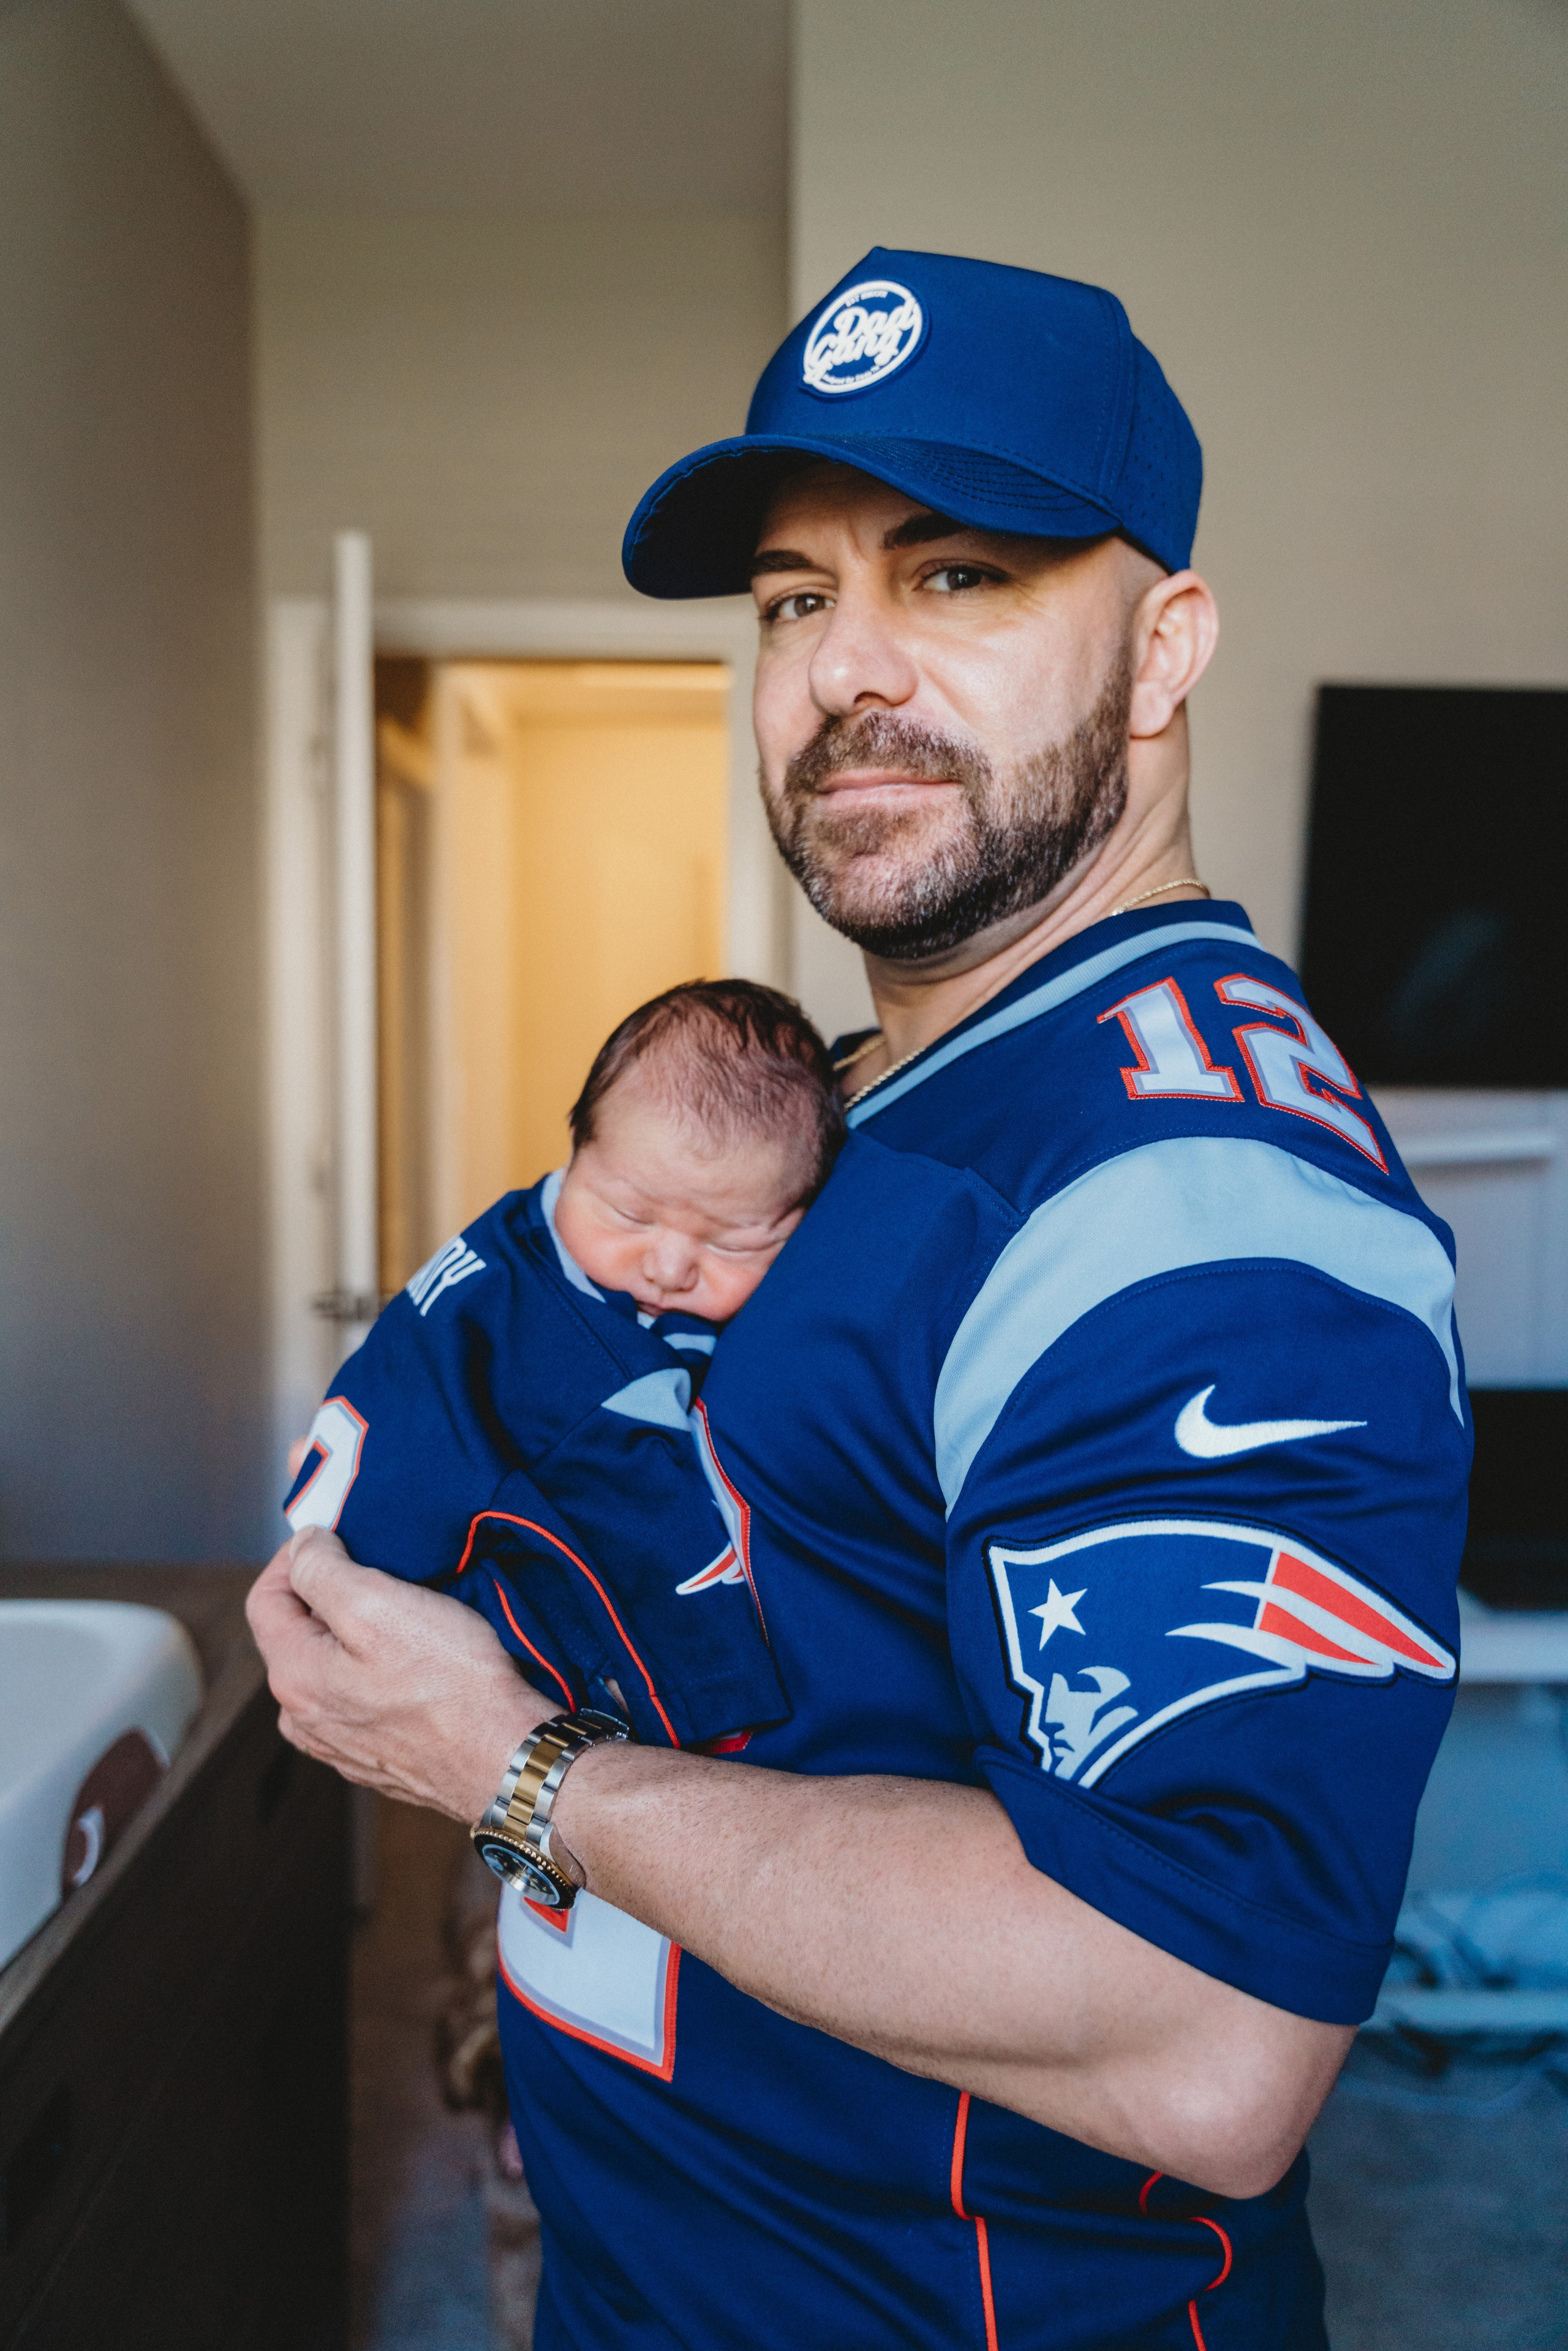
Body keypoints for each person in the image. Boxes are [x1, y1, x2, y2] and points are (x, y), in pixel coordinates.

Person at [251, 249, 1469, 2350]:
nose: (844, 670)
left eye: (961, 576)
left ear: (1166, 644)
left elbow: (1204, 2035)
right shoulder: (859, 1098)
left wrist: (517, 1771)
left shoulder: (1192, 1194)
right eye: (799, 599)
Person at [282, 979, 843, 1755]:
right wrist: (709, 1702)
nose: (670, 1265)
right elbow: (653, 1543)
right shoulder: (612, 1380)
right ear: (578, 1149)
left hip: (343, 1515)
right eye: (630, 1215)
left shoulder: (519, 1226)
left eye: (732, 1242)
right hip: (420, 1577)